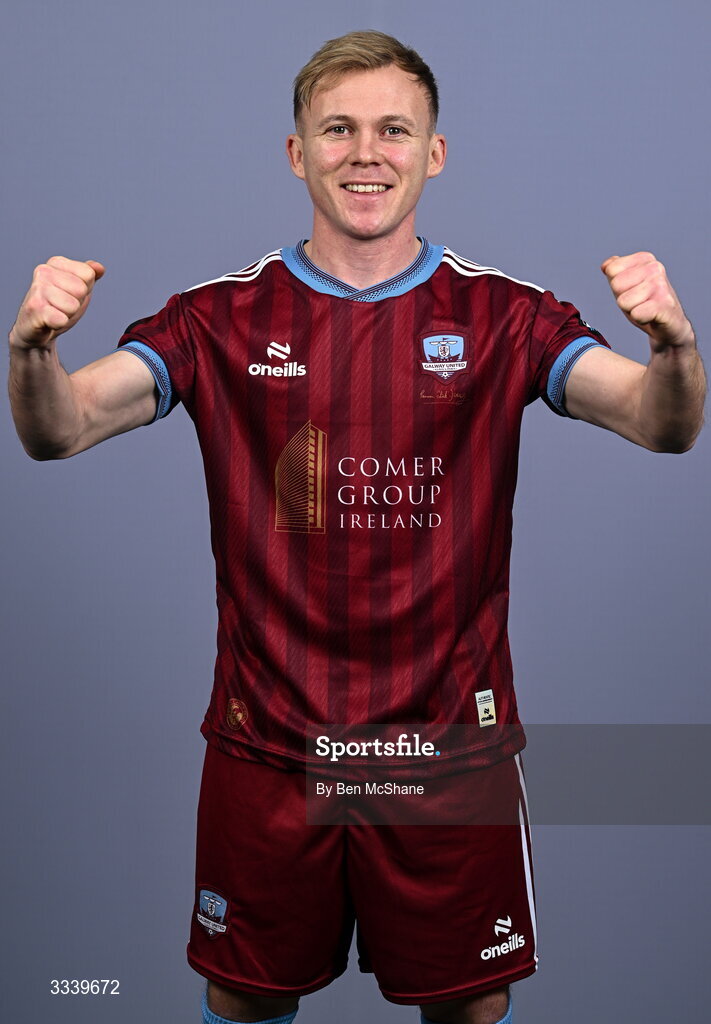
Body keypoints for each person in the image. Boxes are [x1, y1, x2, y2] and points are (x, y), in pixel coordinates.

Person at [7, 29, 705, 1024]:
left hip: (446, 755)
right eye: (337, 129)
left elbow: (661, 423)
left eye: (392, 130)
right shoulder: (218, 318)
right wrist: (33, 350)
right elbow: (57, 430)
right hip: (271, 748)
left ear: (434, 152)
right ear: (298, 152)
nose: (365, 153)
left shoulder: (506, 317)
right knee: (245, 1000)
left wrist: (675, 346)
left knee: (467, 1006)